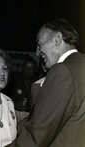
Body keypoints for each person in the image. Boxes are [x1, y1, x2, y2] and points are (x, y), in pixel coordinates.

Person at [7, 18, 85, 147]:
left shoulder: (63, 71)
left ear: (57, 39)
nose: (37, 52)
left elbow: (37, 135)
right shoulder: (80, 65)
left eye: (39, 44)